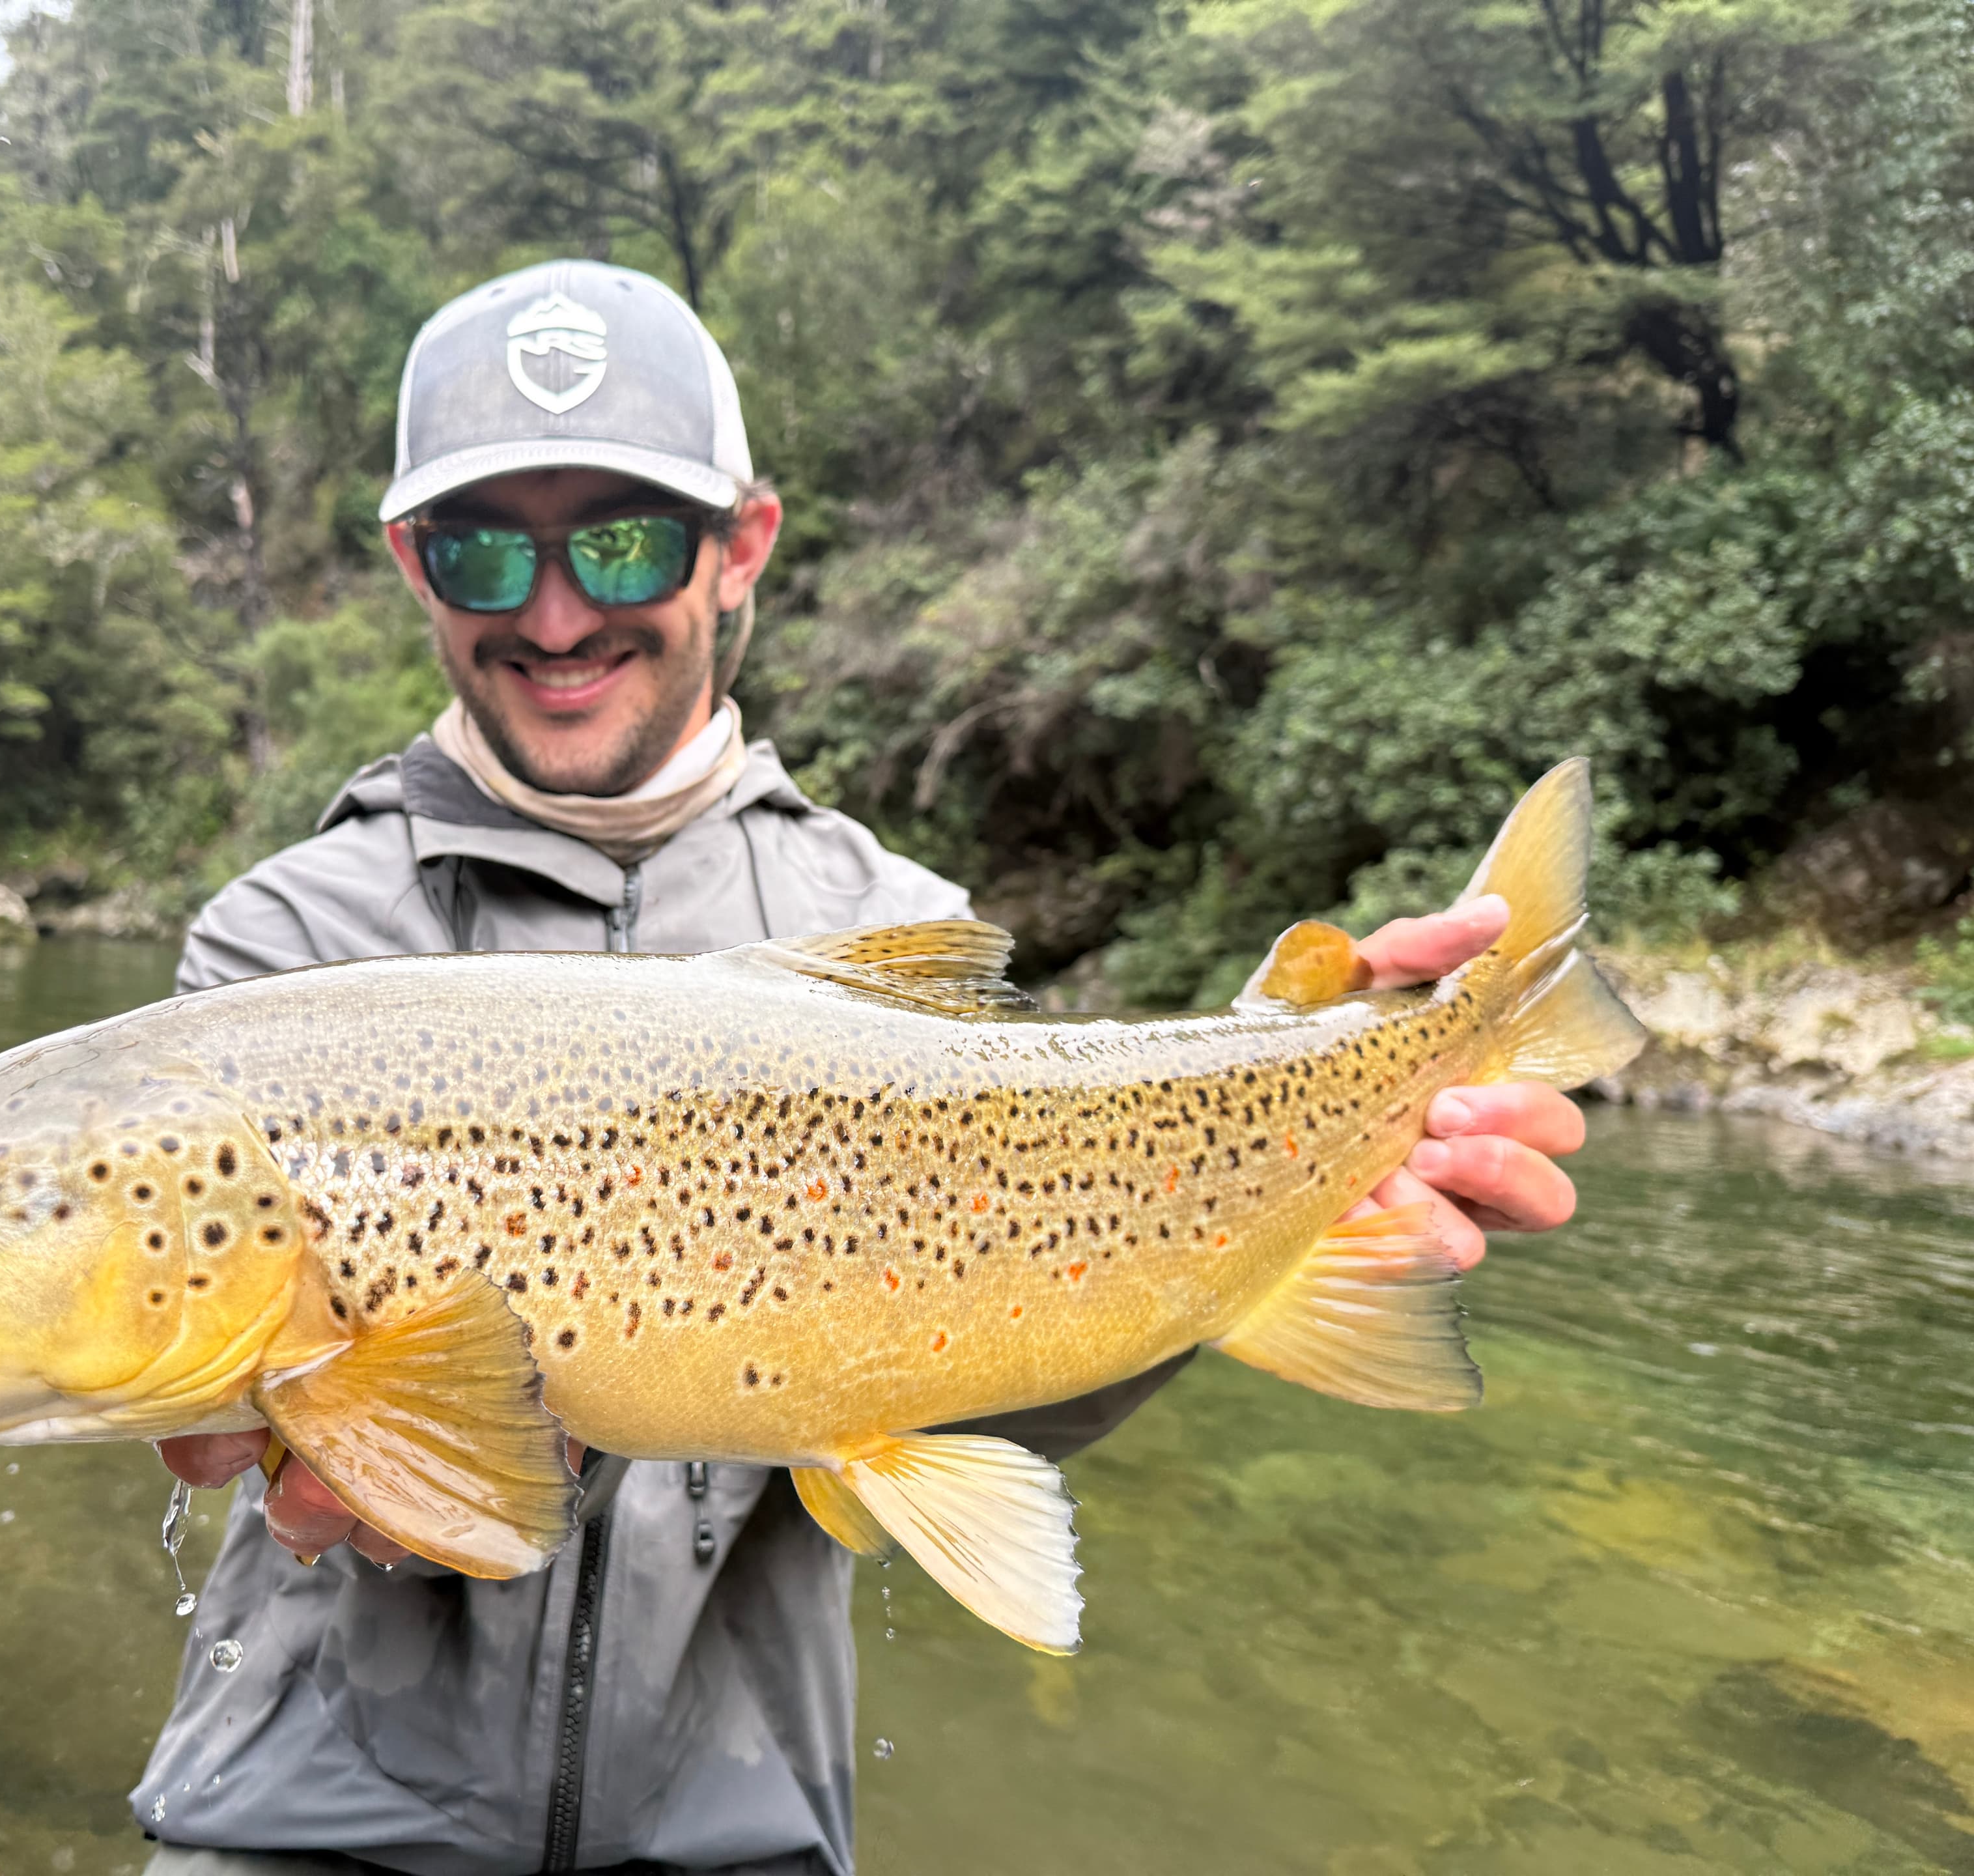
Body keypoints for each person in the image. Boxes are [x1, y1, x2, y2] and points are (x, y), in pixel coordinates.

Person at [132, 261, 1586, 1876]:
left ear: (741, 542)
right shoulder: (284, 947)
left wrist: (1298, 1150)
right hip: (298, 1836)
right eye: (487, 549)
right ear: (417, 565)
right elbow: (219, 1405)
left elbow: (1008, 1382)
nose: (555, 615)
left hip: (730, 1840)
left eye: (621, 539)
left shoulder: (895, 928)